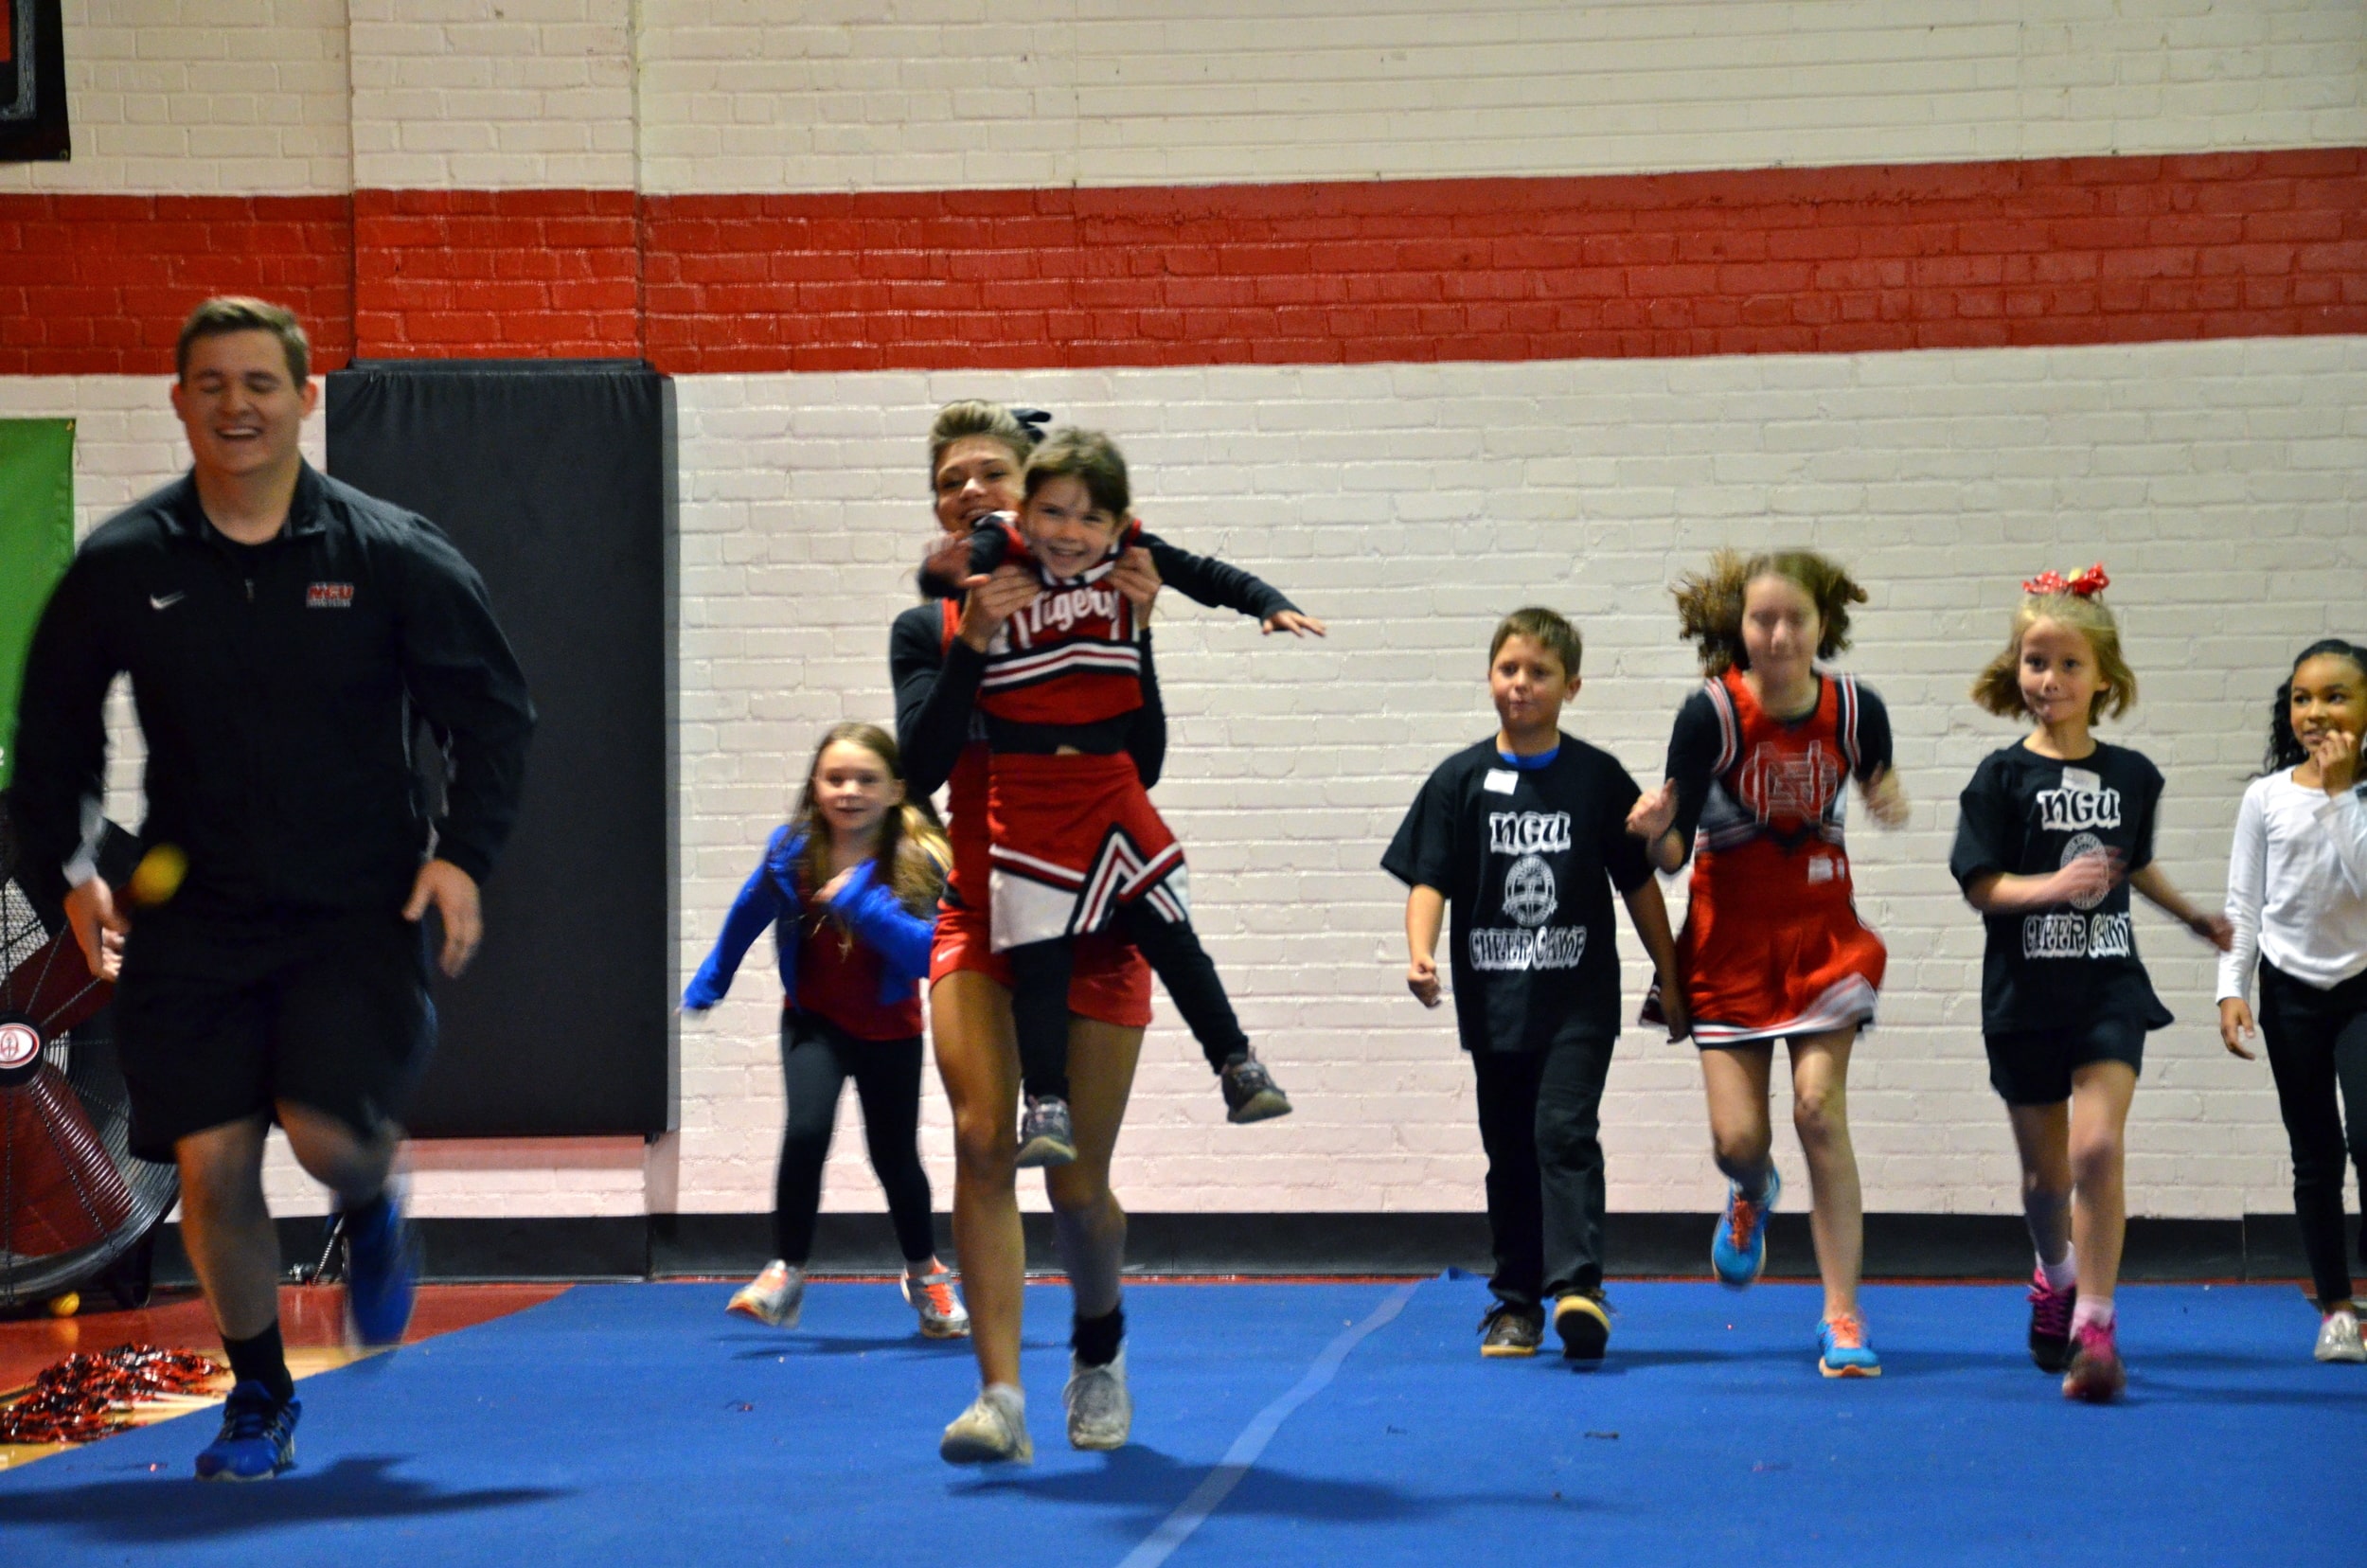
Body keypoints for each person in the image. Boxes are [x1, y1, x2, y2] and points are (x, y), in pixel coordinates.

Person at [6, 296, 533, 1478]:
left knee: (325, 1133)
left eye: (259, 382)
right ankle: (258, 1398)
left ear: (305, 398)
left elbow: (494, 717)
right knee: (211, 1161)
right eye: (211, 383)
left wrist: (463, 855)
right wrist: (73, 869)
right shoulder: (128, 562)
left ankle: (371, 1200)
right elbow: (52, 738)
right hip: (197, 910)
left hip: (359, 904)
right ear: (180, 399)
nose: (235, 404)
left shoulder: (393, 554)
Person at [922, 427, 1324, 1166]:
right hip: (1029, 787)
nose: (1069, 534)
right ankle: (1047, 1104)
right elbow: (948, 574)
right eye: (1052, 514)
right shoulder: (1002, 552)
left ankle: (1236, 1062)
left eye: (1089, 518)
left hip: (1107, 777)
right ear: (1025, 510)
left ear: (1116, 522)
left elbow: (1206, 575)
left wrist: (1268, 602)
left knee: (1168, 927)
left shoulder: (1130, 559)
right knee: (1040, 952)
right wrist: (941, 573)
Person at [890, 401, 1155, 1464]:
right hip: (984, 905)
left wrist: (1131, 631)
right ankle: (999, 1395)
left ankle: (1098, 1345)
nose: (967, 490)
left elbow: (1151, 753)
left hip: (1092, 905)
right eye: (948, 479)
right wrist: (978, 641)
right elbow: (919, 765)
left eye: (988, 471)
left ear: (1035, 493)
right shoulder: (929, 624)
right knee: (978, 1140)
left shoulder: (1105, 606)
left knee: (1076, 1178)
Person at [1949, 564, 2231, 1401]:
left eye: (2070, 665)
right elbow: (1979, 884)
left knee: (2097, 1147)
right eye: (2036, 662)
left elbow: (2131, 864)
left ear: (2103, 677)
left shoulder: (2131, 775)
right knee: (2045, 1183)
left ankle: (2097, 1328)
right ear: (2016, 671)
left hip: (2108, 983)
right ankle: (2053, 1273)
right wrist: (2048, 889)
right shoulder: (1999, 778)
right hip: (2025, 996)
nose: (2051, 680)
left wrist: (2191, 917)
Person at [1627, 549, 1906, 1379]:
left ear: (1825, 626)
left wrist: (1886, 799)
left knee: (1820, 1108)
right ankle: (1752, 1189)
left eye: (1795, 620)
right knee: (1736, 1139)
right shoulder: (1710, 714)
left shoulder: (1855, 710)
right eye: (1762, 620)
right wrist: (1656, 830)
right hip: (1729, 944)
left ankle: (1843, 1316)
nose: (1779, 635)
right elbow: (1676, 853)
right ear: (1738, 627)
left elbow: (1880, 788)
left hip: (1822, 939)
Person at [1384, 608, 1687, 1361]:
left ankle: (1578, 1287)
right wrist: (1419, 952)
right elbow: (1431, 879)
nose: (1522, 685)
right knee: (1509, 1150)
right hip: (1495, 1005)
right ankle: (1515, 1302)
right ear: (1490, 677)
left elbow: (1639, 885)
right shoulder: (1458, 782)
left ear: (1571, 686)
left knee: (1563, 1131)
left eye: (1540, 673)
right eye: (1509, 670)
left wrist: (1671, 974)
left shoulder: (1595, 778)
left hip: (1578, 1000)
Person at [681, 722, 969, 1340]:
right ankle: (786, 1271)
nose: (849, 791)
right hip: (813, 1022)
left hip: (890, 1029)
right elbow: (748, 911)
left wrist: (863, 907)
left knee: (894, 1157)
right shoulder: (795, 851)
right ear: (816, 787)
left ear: (895, 791)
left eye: (866, 779)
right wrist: (715, 975)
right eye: (835, 778)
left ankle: (926, 1274)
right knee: (806, 1130)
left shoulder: (919, 859)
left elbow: (927, 956)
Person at [2216, 637, 2367, 1364]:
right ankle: (2337, 1307)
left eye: (2337, 697)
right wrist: (2230, 989)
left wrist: (2341, 798)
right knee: (2317, 1153)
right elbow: (2244, 904)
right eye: (2303, 698)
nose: (2317, 712)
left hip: (2363, 986)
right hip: (2290, 991)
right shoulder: (2267, 797)